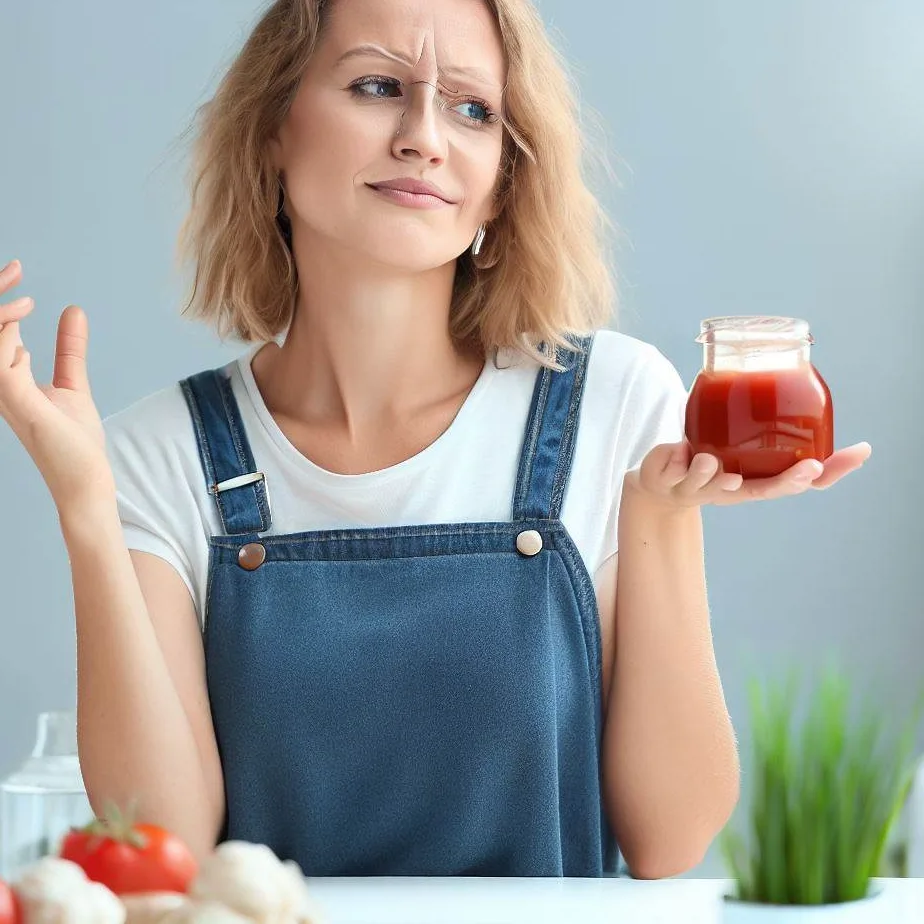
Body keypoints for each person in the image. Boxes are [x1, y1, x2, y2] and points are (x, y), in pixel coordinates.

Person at [0, 0, 870, 880]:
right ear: (272, 128)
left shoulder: (615, 400)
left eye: (471, 108)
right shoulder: (158, 455)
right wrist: (86, 509)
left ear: (503, 175)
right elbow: (169, 847)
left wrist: (658, 517)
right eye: (377, 86)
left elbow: (670, 838)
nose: (424, 137)